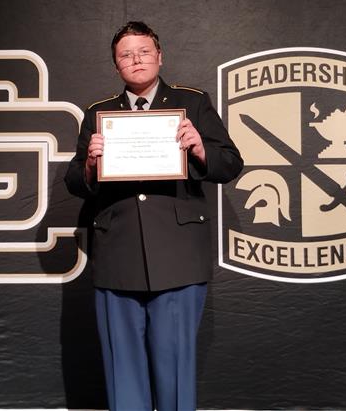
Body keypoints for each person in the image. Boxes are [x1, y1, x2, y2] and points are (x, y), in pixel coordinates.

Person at [64, 21, 243, 411]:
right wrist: (92, 163)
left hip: (178, 256)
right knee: (122, 368)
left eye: (144, 51)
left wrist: (198, 149)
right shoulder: (99, 113)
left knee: (174, 368)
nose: (136, 60)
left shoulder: (193, 103)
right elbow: (74, 181)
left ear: (160, 56)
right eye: (126, 55)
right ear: (116, 66)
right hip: (118, 257)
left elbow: (230, 164)